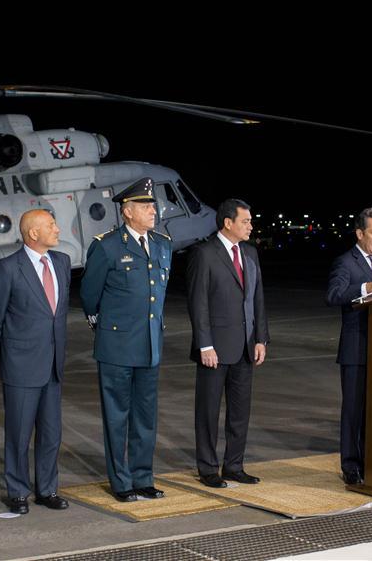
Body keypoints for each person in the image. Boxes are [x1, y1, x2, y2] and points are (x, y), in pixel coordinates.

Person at [80, 177, 172, 502]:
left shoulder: (163, 244)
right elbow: (89, 296)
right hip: (117, 346)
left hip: (149, 346)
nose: (153, 210)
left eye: (152, 204)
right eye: (145, 205)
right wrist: (105, 329)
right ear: (127, 211)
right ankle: (121, 482)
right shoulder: (107, 246)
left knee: (145, 417)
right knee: (117, 418)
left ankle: (143, 477)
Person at [0, 209, 71, 514]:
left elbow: (55, 314)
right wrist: (15, 347)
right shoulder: (8, 268)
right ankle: (18, 491)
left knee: (51, 433)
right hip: (21, 366)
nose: (58, 229)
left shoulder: (62, 263)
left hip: (53, 364)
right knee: (19, 433)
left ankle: (47, 489)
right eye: (51, 225)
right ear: (33, 233)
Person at [186, 199, 270, 488]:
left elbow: (257, 298)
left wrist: (260, 337)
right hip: (215, 348)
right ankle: (208, 467)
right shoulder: (205, 253)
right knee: (208, 412)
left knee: (239, 411)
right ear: (228, 223)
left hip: (245, 346)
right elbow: (198, 303)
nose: (250, 226)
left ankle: (234, 465)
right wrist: (204, 344)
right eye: (245, 221)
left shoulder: (250, 253)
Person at [326, 208, 372, 485]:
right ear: (359, 233)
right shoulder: (346, 262)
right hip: (357, 350)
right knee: (354, 411)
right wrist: (364, 288)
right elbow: (333, 295)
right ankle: (352, 466)